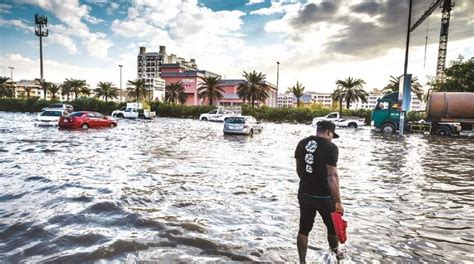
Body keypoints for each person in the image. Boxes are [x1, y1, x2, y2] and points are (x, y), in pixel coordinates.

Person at [294, 120, 344, 263]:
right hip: (324, 196)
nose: (331, 138)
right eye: (332, 135)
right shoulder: (331, 147)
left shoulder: (302, 143)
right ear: (329, 132)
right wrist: (339, 201)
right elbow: (332, 176)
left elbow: (299, 169)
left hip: (304, 193)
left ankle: (302, 261)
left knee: (304, 228)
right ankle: (335, 258)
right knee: (332, 227)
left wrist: (307, 182)